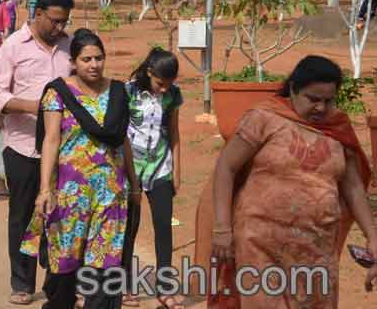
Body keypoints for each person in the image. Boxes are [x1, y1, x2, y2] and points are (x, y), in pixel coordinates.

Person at [198, 55, 377, 308]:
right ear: (293, 89)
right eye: (313, 99)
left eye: (328, 101)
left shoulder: (338, 128)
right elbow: (226, 167)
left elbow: (354, 187)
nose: (321, 108)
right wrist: (222, 229)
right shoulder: (265, 118)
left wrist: (372, 236)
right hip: (259, 245)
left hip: (317, 250)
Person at [23, 29, 139, 309]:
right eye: (86, 58)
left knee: (106, 261)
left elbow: (122, 139)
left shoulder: (118, 92)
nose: (94, 64)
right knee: (65, 262)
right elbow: (51, 140)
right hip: (70, 195)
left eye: (99, 58)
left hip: (110, 193)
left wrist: (134, 185)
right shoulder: (57, 92)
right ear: (73, 61)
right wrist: (44, 190)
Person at [0, 0, 76, 306]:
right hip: (23, 147)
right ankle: (22, 281)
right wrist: (36, 107)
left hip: (65, 149)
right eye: (54, 21)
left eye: (64, 22)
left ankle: (58, 284)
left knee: (61, 216)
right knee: (24, 216)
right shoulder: (13, 46)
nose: (59, 28)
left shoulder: (69, 47)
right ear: (38, 14)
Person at [121, 49, 183, 309]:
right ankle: (124, 287)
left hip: (160, 168)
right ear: (149, 73)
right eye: (160, 83)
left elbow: (175, 133)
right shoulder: (128, 92)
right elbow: (120, 133)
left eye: (168, 84)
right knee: (128, 228)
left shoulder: (173, 95)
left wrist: (177, 172)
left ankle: (164, 289)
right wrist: (127, 175)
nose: (164, 88)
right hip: (130, 169)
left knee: (163, 229)